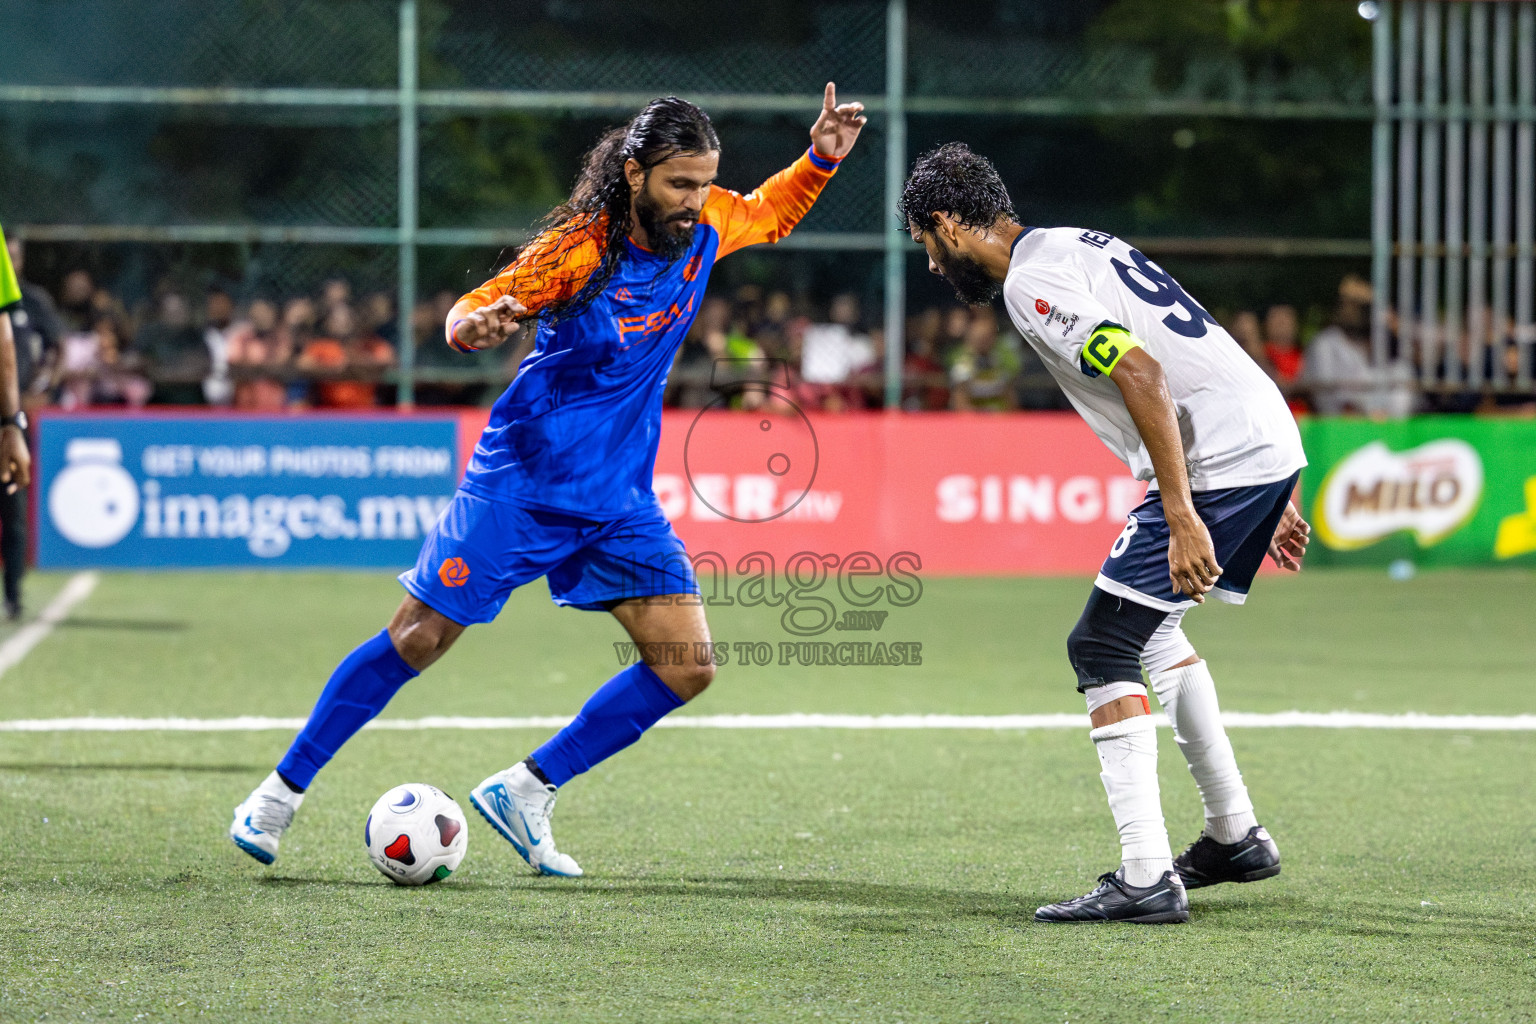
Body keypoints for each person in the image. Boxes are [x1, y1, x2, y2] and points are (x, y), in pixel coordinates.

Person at [230, 86, 867, 875]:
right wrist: (476, 327)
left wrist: (822, 158)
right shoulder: (579, 251)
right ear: (634, 174)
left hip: (618, 500)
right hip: (522, 483)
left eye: (705, 184)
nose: (695, 202)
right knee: (418, 637)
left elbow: (769, 210)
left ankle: (527, 790)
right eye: (679, 184)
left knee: (687, 665)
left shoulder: (705, 227)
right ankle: (277, 796)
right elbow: (476, 308)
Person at [899, 143, 1310, 925]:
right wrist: (1271, 480)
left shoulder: (1032, 282)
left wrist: (1187, 512)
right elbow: (1195, 347)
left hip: (1217, 457)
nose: (929, 265)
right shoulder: (1078, 242)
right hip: (1254, 437)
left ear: (949, 224)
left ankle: (1147, 875)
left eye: (924, 243)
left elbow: (1145, 373)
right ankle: (1233, 834)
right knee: (1152, 637)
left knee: (1101, 647)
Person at [0, 227, 35, 620]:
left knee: (13, 514)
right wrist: (11, 423)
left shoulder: (36, 302)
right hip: (5, 415)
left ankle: (12, 594)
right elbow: (2, 334)